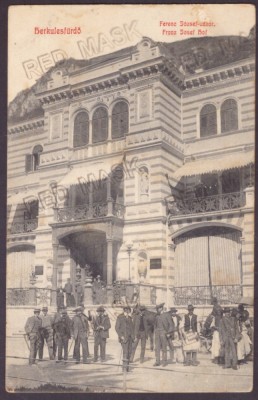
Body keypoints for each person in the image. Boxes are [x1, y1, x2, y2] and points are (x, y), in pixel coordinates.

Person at [115, 306, 135, 372]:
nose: (128, 312)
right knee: (125, 352)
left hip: (130, 338)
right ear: (124, 310)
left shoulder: (130, 318)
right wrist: (121, 336)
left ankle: (127, 367)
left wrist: (133, 337)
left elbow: (132, 328)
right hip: (124, 338)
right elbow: (117, 328)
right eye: (126, 310)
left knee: (129, 352)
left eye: (128, 310)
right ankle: (124, 368)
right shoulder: (120, 317)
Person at [153, 303, 173, 367]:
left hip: (164, 333)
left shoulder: (167, 315)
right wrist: (155, 331)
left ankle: (164, 361)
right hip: (157, 333)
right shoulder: (156, 316)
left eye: (158, 308)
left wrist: (169, 333)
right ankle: (157, 361)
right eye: (157, 309)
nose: (157, 310)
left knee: (164, 348)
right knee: (157, 348)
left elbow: (171, 325)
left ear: (161, 308)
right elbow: (155, 325)